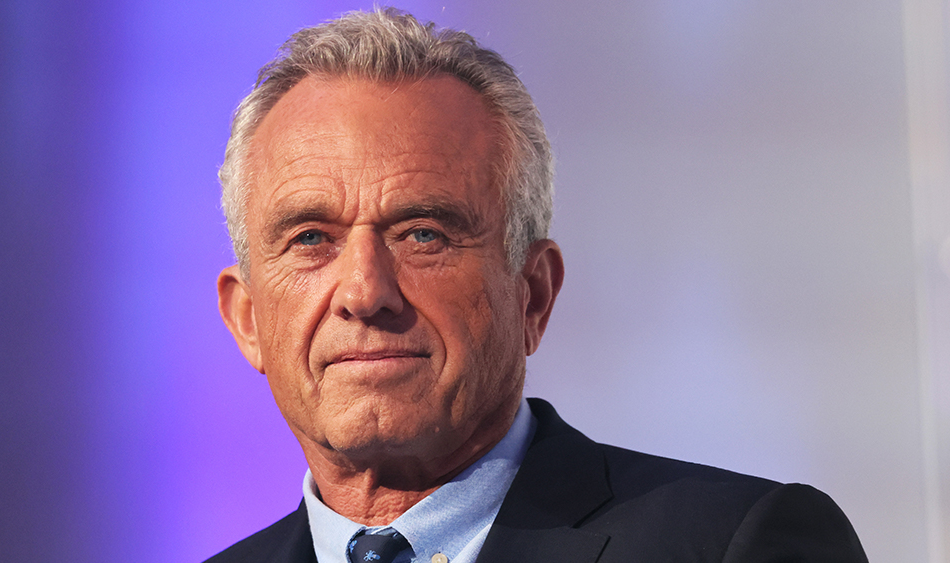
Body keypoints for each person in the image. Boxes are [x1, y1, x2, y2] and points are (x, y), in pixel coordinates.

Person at [208, 8, 868, 563]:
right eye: (310, 239)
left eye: (423, 234)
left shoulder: (734, 544)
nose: (364, 292)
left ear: (534, 294)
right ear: (247, 319)